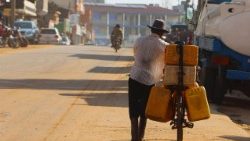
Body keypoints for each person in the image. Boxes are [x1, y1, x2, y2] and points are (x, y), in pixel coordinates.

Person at [128, 19, 169, 141]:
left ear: (151, 29)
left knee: (133, 109)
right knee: (145, 110)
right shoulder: (164, 46)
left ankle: (134, 138)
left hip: (134, 77)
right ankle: (140, 138)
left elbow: (135, 54)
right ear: (161, 33)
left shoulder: (139, 40)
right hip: (150, 81)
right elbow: (167, 62)